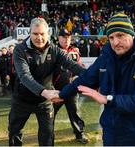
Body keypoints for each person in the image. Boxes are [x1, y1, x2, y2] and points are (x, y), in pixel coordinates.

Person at [52, 13, 135, 146]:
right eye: (111, 37)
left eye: (120, 35)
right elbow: (85, 78)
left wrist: (107, 99)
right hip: (111, 133)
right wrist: (62, 94)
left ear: (132, 35)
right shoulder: (106, 57)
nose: (115, 42)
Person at [8, 17, 85, 146]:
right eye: (35, 34)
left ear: (48, 34)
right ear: (29, 33)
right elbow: (24, 76)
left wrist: (94, 78)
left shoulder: (54, 49)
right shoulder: (20, 50)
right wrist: (45, 92)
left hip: (44, 102)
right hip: (22, 100)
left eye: (42, 34)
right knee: (15, 133)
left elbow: (73, 65)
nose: (39, 38)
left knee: (47, 136)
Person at [53, 29, 88, 144]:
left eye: (68, 37)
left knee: (75, 113)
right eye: (63, 37)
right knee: (50, 114)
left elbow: (78, 67)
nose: (66, 39)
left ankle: (79, 134)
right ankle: (48, 134)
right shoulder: (53, 51)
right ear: (59, 38)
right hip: (56, 90)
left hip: (71, 89)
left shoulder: (74, 51)